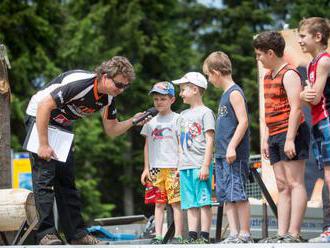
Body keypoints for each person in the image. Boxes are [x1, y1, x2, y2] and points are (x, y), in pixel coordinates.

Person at [25, 56, 144, 245]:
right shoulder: (81, 84)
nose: (121, 90)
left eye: (125, 87)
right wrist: (43, 144)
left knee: (66, 181)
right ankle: (46, 235)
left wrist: (133, 121)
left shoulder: (109, 97)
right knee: (45, 179)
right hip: (40, 116)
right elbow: (44, 106)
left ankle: (77, 235)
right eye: (119, 84)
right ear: (105, 76)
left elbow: (111, 130)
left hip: (62, 125)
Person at [253, 31, 310, 243]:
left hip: (292, 133)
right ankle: (282, 233)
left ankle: (294, 233)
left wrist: (289, 138)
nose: (258, 58)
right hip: (275, 134)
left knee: (296, 183)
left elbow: (296, 108)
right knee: (282, 185)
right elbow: (270, 109)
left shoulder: (289, 74)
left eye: (259, 54)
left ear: (270, 53)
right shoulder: (268, 76)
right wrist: (267, 137)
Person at [202, 51, 252, 243]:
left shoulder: (235, 93)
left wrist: (231, 147)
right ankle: (233, 233)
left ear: (216, 72)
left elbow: (243, 122)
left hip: (234, 155)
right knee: (226, 196)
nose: (209, 79)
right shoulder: (224, 95)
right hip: (222, 155)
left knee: (238, 194)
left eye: (208, 75)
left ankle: (245, 233)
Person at [171, 72, 215, 244]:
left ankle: (204, 235)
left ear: (195, 89)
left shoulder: (206, 113)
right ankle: (192, 236)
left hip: (199, 164)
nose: (180, 93)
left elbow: (210, 139)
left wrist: (206, 165)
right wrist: (178, 166)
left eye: (183, 89)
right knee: (189, 202)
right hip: (185, 166)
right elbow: (179, 143)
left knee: (203, 200)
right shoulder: (182, 116)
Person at [298, 17, 330, 243]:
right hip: (318, 123)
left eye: (303, 36)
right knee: (327, 176)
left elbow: (315, 96)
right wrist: (303, 94)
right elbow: (306, 98)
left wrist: (305, 93)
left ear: (318, 37)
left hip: (327, 121)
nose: (300, 40)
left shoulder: (324, 61)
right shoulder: (311, 64)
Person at [140, 81, 183, 244]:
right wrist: (146, 168)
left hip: (173, 167)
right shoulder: (150, 122)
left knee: (176, 203)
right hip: (156, 169)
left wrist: (180, 165)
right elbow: (147, 145)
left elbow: (181, 143)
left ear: (172, 100)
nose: (159, 102)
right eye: (156, 99)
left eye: (163, 99)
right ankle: (158, 235)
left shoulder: (178, 119)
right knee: (158, 203)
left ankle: (178, 235)